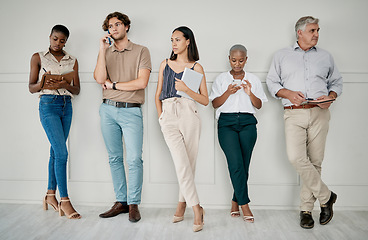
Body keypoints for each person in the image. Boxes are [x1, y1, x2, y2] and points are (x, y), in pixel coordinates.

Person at [266, 16, 342, 229]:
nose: (316, 34)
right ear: (299, 33)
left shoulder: (326, 56)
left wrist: (331, 96)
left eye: (318, 30)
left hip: (320, 113)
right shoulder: (282, 55)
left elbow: (336, 82)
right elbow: (272, 82)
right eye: (312, 30)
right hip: (293, 113)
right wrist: (288, 93)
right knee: (296, 158)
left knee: (315, 162)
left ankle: (306, 210)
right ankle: (327, 197)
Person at [93, 12, 151, 223]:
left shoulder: (141, 51)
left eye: (118, 24)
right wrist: (101, 49)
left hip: (131, 110)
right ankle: (121, 201)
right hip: (107, 109)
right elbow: (99, 78)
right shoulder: (105, 53)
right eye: (110, 26)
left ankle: (134, 203)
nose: (114, 28)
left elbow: (141, 83)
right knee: (114, 158)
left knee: (134, 158)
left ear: (126, 26)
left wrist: (115, 85)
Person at [155, 26, 208, 232]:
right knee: (181, 164)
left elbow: (205, 100)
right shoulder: (164, 64)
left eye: (177, 39)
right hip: (168, 115)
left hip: (189, 114)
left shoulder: (197, 68)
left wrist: (187, 90)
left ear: (188, 42)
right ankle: (197, 209)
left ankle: (181, 204)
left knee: (188, 165)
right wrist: (161, 117)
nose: (174, 44)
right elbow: (158, 94)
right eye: (171, 40)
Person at [210, 44, 268, 223]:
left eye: (241, 60)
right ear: (229, 59)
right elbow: (215, 104)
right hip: (226, 124)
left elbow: (258, 105)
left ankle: (235, 201)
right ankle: (244, 204)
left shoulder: (253, 80)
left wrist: (250, 93)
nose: (237, 64)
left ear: (246, 60)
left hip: (248, 123)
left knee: (244, 166)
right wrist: (228, 92)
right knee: (235, 164)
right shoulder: (221, 79)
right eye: (234, 60)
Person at [28, 25, 81, 219]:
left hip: (66, 106)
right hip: (48, 105)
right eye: (55, 39)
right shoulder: (38, 57)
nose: (58, 43)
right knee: (61, 152)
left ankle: (50, 195)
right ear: (50, 37)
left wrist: (64, 84)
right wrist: (44, 82)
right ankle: (65, 200)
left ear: (66, 41)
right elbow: (31, 87)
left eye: (62, 40)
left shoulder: (73, 60)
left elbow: (77, 90)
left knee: (55, 151)